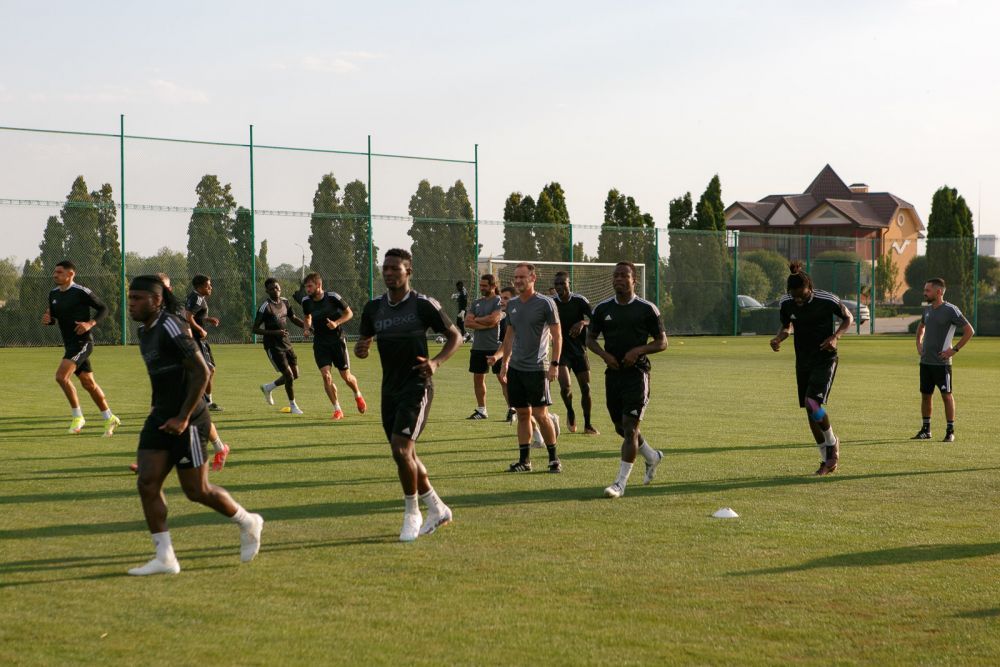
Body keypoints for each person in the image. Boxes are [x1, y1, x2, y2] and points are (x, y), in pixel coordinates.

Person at [127, 275, 262, 575]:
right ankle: (165, 558)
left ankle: (248, 521)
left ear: (157, 299)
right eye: (130, 298)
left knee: (197, 490)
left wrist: (184, 417)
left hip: (190, 418)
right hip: (161, 416)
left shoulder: (171, 326)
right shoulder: (144, 332)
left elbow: (201, 372)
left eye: (138, 298)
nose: (131, 303)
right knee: (147, 481)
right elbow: (160, 380)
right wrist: (157, 416)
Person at [355, 249, 462, 542]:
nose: (389, 273)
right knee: (408, 455)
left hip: (417, 387)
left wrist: (435, 362)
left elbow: (457, 336)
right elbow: (364, 341)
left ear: (408, 271)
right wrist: (361, 349)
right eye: (385, 268)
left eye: (395, 269)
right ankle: (438, 509)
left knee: (401, 450)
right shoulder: (373, 307)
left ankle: (411, 513)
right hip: (389, 389)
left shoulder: (423, 305)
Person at [129, 273, 230, 473]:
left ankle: (218, 447)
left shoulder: (173, 315)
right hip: (164, 382)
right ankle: (149, 460)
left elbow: (187, 337)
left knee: (196, 409)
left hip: (186, 375)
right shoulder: (149, 319)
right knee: (160, 413)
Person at [587, 262, 667, 498]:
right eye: (616, 276)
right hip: (613, 375)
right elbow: (590, 339)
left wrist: (638, 351)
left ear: (635, 281)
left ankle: (619, 484)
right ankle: (652, 457)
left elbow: (662, 342)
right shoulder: (602, 309)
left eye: (624, 275)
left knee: (631, 427)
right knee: (620, 427)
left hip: (637, 375)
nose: (619, 279)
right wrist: (604, 355)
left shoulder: (646, 309)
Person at [770, 262, 853, 475]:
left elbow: (848, 318)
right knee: (809, 411)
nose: (798, 299)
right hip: (803, 360)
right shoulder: (787, 302)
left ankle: (833, 443)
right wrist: (779, 338)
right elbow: (787, 326)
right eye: (794, 295)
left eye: (802, 295)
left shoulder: (827, 300)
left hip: (825, 358)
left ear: (810, 288)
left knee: (812, 402)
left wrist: (836, 337)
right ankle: (825, 459)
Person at [488, 262, 563, 473]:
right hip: (516, 369)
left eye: (522, 277)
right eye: (516, 277)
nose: (519, 281)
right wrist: (504, 364)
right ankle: (525, 461)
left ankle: (554, 458)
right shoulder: (511, 304)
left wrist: (555, 364)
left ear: (533, 278)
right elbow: (509, 336)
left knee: (541, 414)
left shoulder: (546, 303)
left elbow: (557, 337)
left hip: (538, 368)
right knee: (522, 414)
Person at [41, 260, 120, 436]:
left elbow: (104, 309)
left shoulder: (81, 292)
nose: (55, 275)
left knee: (61, 377)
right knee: (88, 383)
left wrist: (90, 323)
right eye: (55, 272)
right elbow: (54, 317)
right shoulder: (53, 294)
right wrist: (49, 320)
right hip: (70, 344)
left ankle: (78, 417)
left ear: (71, 274)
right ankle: (109, 417)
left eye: (59, 272)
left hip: (83, 343)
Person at [912, 277, 975, 442]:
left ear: (938, 291)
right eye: (925, 290)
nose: (925, 293)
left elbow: (969, 331)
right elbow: (921, 328)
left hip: (942, 364)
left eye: (928, 290)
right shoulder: (927, 310)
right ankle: (926, 430)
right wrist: (919, 345)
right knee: (926, 396)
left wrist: (953, 350)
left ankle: (950, 431)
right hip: (925, 362)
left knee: (946, 395)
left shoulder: (951, 310)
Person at [300, 272, 367, 420]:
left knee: (346, 377)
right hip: (320, 343)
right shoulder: (306, 301)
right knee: (326, 376)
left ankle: (358, 395)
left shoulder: (333, 297)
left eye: (310, 286)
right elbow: (307, 316)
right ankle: (337, 409)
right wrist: (306, 328)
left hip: (337, 341)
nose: (308, 290)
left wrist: (336, 323)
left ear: (319, 285)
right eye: (306, 287)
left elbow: (349, 313)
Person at [553, 271, 598, 435]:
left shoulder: (580, 301)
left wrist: (582, 322)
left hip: (579, 351)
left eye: (562, 283)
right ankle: (570, 411)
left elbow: (595, 318)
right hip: (561, 352)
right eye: (556, 284)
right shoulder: (551, 303)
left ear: (568, 283)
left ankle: (588, 424)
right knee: (566, 387)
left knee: (585, 388)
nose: (559, 287)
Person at [254, 278, 307, 414]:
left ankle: (268, 387)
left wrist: (307, 327)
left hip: (286, 343)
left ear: (280, 288)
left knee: (295, 375)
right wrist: (275, 332)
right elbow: (255, 329)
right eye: (271, 289)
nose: (275, 290)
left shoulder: (285, 302)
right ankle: (293, 405)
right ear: (267, 291)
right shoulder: (265, 306)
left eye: (276, 287)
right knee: (288, 376)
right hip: (273, 346)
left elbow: (293, 318)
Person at [464, 274, 504, 419]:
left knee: (502, 378)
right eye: (481, 285)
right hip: (478, 346)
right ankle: (482, 410)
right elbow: (467, 323)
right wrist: (484, 323)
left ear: (493, 286)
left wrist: (477, 320)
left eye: (484, 286)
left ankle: (513, 409)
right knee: (478, 378)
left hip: (496, 347)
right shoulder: (476, 303)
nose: (481, 288)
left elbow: (494, 320)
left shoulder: (499, 301)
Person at [185, 274, 223, 412]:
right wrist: (200, 329)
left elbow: (194, 315)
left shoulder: (196, 296)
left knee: (206, 370)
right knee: (208, 369)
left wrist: (207, 320)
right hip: (197, 339)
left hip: (198, 339)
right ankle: (204, 401)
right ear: (200, 287)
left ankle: (204, 400)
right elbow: (188, 316)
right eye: (208, 285)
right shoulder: (197, 298)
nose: (210, 287)